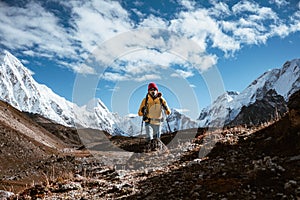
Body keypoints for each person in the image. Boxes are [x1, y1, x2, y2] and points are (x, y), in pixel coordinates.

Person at [138, 82, 171, 151]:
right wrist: (142, 110)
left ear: (157, 91)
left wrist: (166, 109)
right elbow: (139, 113)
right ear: (148, 91)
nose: (153, 91)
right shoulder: (145, 100)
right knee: (149, 138)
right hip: (148, 121)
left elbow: (168, 111)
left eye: (154, 89)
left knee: (157, 139)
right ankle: (148, 151)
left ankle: (156, 151)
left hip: (158, 122)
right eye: (151, 90)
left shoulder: (161, 99)